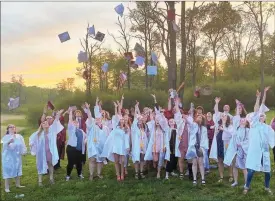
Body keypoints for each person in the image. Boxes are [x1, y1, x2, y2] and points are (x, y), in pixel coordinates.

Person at [244, 87, 274, 195]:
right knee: (251, 170)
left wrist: (265, 93)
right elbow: (257, 109)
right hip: (255, 150)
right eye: (259, 116)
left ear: (264, 118)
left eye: (262, 116)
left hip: (264, 151)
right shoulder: (254, 125)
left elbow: (273, 138)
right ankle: (246, 186)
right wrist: (258, 97)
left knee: (267, 171)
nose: (260, 116)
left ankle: (266, 187)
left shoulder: (267, 128)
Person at [29, 109, 64, 186]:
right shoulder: (39, 133)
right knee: (40, 165)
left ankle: (51, 178)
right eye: (44, 123)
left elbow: (56, 122)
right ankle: (40, 181)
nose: (45, 123)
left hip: (50, 152)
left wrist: (58, 114)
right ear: (41, 125)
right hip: (41, 152)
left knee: (50, 164)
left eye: (46, 123)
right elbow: (32, 140)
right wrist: (31, 144)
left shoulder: (52, 131)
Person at [101, 102, 130, 181]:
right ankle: (118, 175)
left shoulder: (126, 128)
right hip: (115, 146)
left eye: (123, 119)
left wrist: (127, 147)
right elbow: (117, 115)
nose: (122, 120)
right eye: (120, 119)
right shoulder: (115, 127)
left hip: (122, 146)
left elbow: (126, 138)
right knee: (116, 161)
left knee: (122, 161)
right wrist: (116, 107)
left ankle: (122, 173)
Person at [224, 100, 249, 187]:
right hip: (234, 144)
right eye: (238, 108)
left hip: (242, 147)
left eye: (240, 108)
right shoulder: (235, 120)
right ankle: (235, 181)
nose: (239, 110)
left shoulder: (246, 122)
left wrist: (238, 104)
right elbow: (231, 130)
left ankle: (246, 183)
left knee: (243, 166)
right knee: (234, 164)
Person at [210, 97, 234, 183]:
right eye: (224, 106)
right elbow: (216, 111)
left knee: (228, 158)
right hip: (219, 139)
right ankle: (221, 176)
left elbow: (232, 131)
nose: (223, 117)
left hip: (227, 141)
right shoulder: (219, 115)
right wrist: (216, 102)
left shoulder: (231, 117)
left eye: (227, 106)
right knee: (220, 159)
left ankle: (231, 175)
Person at [85, 99, 109, 181]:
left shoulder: (105, 127)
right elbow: (89, 117)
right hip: (93, 145)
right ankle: (91, 175)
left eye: (100, 118)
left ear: (102, 118)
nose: (98, 119)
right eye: (97, 118)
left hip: (101, 146)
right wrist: (88, 109)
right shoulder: (92, 125)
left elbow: (107, 137)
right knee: (92, 159)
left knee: (100, 160)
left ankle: (98, 174)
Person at [145, 108, 170, 179]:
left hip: (161, 146)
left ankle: (158, 173)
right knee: (155, 160)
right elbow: (153, 118)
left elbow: (165, 139)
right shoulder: (153, 129)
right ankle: (156, 166)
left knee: (160, 159)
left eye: (159, 121)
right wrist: (151, 112)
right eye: (156, 121)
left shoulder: (164, 130)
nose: (157, 122)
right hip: (155, 147)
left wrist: (165, 145)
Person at [2, 124, 27, 193]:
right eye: (11, 127)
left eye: (13, 127)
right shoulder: (5, 137)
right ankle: (7, 187)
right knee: (8, 170)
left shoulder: (19, 136)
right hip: (8, 157)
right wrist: (9, 142)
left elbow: (22, 144)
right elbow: (4, 147)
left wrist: (23, 152)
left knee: (17, 169)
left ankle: (18, 184)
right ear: (8, 129)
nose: (12, 128)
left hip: (17, 156)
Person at [185, 113, 208, 185]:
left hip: (200, 147)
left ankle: (203, 178)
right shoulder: (193, 125)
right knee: (194, 163)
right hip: (193, 147)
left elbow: (205, 139)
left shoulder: (204, 128)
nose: (199, 118)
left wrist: (202, 148)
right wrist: (186, 117)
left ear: (202, 120)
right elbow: (189, 122)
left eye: (201, 117)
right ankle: (194, 179)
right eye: (198, 117)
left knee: (201, 163)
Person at [65, 107, 86, 181]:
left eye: (76, 123)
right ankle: (68, 175)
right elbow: (70, 120)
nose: (75, 123)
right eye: (74, 123)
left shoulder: (81, 131)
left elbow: (86, 137)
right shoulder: (71, 129)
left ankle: (79, 174)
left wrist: (85, 140)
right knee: (70, 162)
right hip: (71, 148)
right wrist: (70, 112)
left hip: (79, 149)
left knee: (79, 163)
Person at [131, 101, 149, 179]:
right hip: (136, 146)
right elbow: (135, 117)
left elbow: (145, 138)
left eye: (141, 121)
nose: (140, 122)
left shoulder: (143, 128)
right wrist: (136, 108)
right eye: (139, 121)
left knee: (142, 159)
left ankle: (141, 172)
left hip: (143, 146)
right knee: (136, 160)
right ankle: (136, 173)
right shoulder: (134, 128)